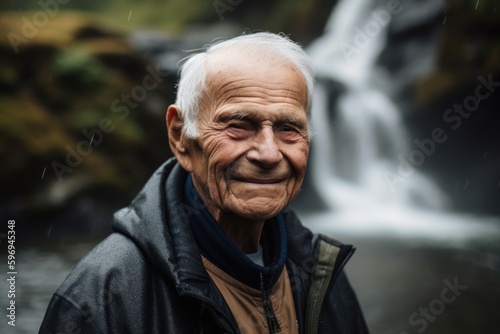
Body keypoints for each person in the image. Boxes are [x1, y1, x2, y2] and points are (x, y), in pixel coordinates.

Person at [39, 32, 369, 334]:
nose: (269, 153)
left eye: (288, 128)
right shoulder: (101, 299)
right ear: (180, 137)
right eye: (239, 125)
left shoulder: (322, 275)